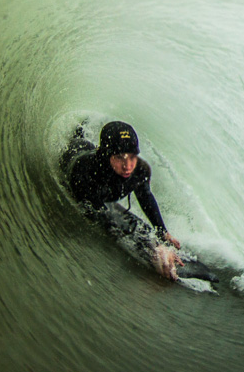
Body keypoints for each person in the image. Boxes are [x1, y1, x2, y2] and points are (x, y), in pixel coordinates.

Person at [60, 120, 184, 280]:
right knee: (100, 212)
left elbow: (145, 197)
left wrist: (162, 233)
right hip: (75, 153)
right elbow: (105, 218)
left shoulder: (139, 169)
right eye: (120, 157)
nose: (127, 166)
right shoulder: (85, 173)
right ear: (107, 154)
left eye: (132, 157)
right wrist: (154, 249)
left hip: (99, 169)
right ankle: (79, 132)